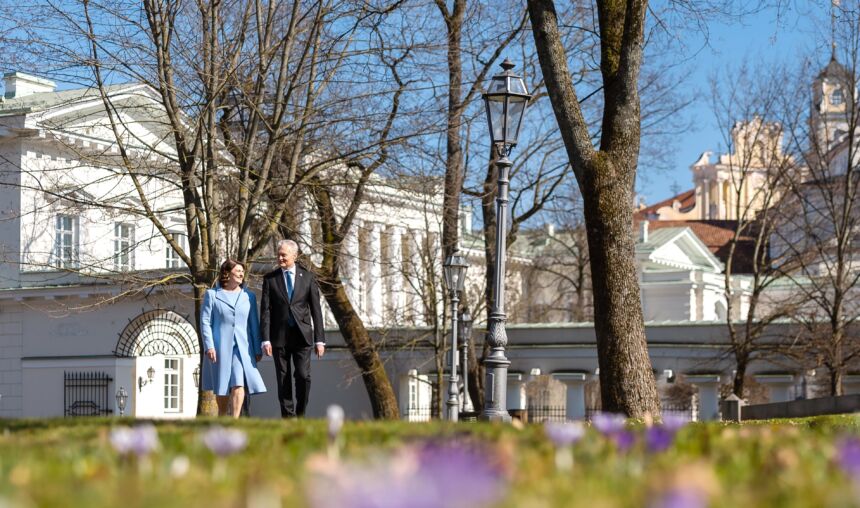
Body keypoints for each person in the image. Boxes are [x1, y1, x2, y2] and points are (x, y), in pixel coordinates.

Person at [260, 239, 325, 417]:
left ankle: (301, 413)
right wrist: (265, 339)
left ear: (294, 256)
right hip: (279, 337)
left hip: (302, 336)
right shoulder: (270, 279)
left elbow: (316, 310)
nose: (280, 258)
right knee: (283, 379)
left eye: (283, 255)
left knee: (303, 376)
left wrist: (320, 340)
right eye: (278, 254)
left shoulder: (308, 278)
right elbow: (265, 311)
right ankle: (288, 417)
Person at [200, 259, 267, 418]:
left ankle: (235, 419)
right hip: (220, 347)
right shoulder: (212, 295)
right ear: (227, 273)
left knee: (238, 382)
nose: (241, 274)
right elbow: (205, 322)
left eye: (242, 272)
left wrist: (257, 349)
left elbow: (254, 325)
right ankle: (223, 416)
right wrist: (209, 346)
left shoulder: (248, 296)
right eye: (238, 271)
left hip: (242, 347)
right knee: (222, 385)